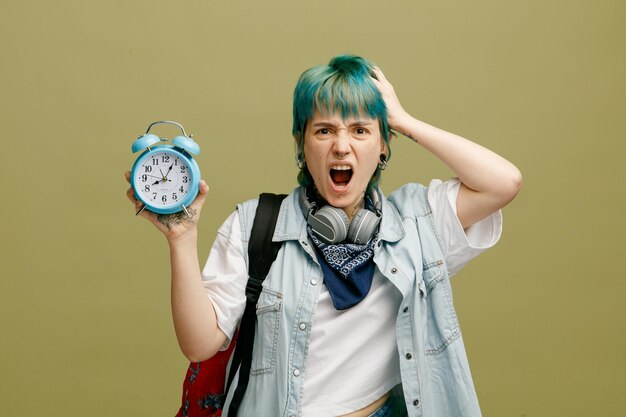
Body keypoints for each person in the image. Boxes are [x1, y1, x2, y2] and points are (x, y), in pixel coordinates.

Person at [125, 55, 522, 417]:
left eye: (361, 130)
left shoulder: (418, 221)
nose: (341, 146)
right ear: (301, 144)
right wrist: (182, 238)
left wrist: (401, 120)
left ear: (383, 146)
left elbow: (502, 182)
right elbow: (199, 344)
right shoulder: (256, 225)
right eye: (324, 130)